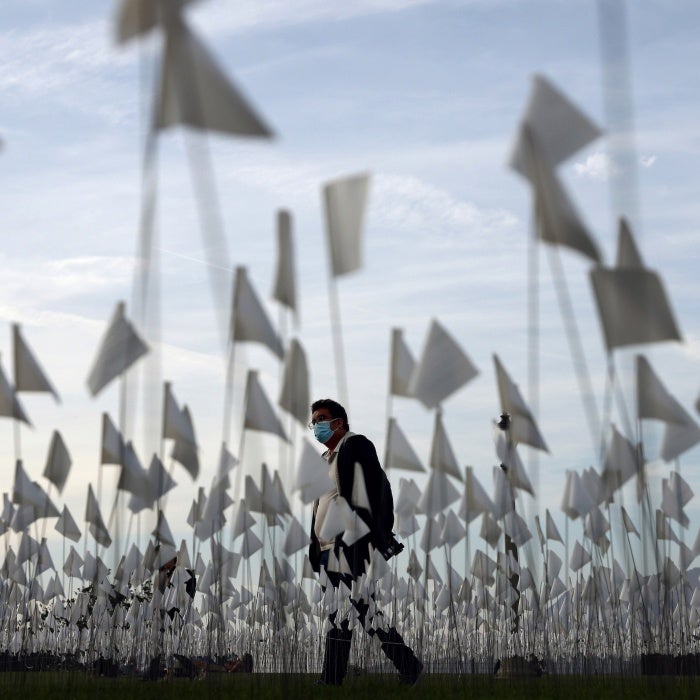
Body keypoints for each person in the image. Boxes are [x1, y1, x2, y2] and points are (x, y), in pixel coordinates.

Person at [307, 398, 423, 686]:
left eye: (321, 419)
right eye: (314, 421)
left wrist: (366, 536)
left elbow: (373, 491)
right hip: (326, 548)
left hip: (349, 544)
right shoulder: (324, 460)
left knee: (358, 607)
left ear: (339, 422)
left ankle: (337, 677)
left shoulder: (356, 445)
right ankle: (403, 665)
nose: (316, 426)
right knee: (346, 610)